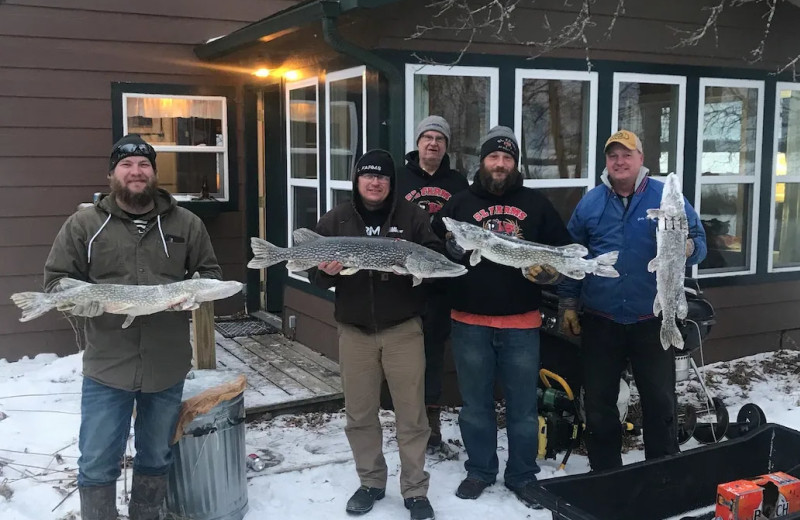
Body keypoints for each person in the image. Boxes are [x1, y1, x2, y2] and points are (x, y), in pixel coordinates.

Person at [43, 134, 223, 520]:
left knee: (156, 456)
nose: (136, 172)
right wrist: (82, 302)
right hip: (108, 367)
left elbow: (209, 273)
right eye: (126, 165)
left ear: (155, 174)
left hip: (166, 365)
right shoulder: (83, 224)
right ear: (112, 174)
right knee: (96, 461)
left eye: (144, 165)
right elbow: (56, 281)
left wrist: (196, 295)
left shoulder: (187, 223)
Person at [432, 126, 572, 508]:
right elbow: (432, 250)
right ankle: (480, 469)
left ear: (516, 163)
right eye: (494, 157)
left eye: (507, 158)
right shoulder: (459, 204)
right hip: (469, 321)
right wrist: (449, 250)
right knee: (475, 404)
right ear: (483, 161)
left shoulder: (537, 204)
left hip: (521, 323)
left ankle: (523, 475)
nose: (500, 164)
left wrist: (550, 274)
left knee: (523, 406)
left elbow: (561, 255)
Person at [558, 129, 707, 472]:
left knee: (660, 402)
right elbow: (572, 258)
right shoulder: (591, 202)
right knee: (599, 405)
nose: (620, 161)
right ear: (607, 162)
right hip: (601, 320)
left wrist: (688, 247)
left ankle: (663, 471)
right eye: (613, 156)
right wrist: (568, 304)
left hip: (651, 321)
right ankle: (606, 473)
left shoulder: (666, 199)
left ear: (641, 159)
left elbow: (699, 240)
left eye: (627, 154)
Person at [311, 149, 438, 520]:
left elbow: (434, 259)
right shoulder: (336, 220)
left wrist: (415, 270)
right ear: (357, 180)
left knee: (412, 415)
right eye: (368, 176)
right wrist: (330, 271)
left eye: (382, 176)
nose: (375, 182)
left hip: (403, 330)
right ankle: (371, 482)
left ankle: (415, 490)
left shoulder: (413, 216)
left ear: (391, 182)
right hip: (355, 332)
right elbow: (316, 277)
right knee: (360, 414)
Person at [397, 115, 468, 451]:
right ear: (418, 142)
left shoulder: (458, 182)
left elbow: (466, 225)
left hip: (441, 283)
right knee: (403, 354)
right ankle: (407, 423)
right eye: (427, 137)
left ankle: (432, 426)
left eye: (440, 139)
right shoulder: (397, 179)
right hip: (404, 281)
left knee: (433, 355)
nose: (433, 143)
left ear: (446, 146)